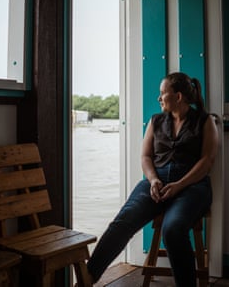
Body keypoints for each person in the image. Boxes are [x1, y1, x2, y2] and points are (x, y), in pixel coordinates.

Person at [86, 72, 219, 287]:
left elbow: (207, 161)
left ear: (177, 96)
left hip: (192, 186)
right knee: (123, 222)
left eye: (162, 94)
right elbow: (145, 156)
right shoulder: (156, 121)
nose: (159, 99)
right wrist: (154, 180)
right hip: (155, 183)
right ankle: (87, 279)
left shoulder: (206, 121)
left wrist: (179, 185)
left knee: (173, 229)